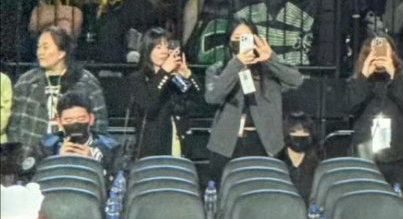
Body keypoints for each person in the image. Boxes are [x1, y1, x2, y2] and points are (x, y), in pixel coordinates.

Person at [204, 21, 304, 185]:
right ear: (229, 41)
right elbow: (213, 96)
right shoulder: (218, 69)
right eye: (237, 38)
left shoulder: (268, 70)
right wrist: (236, 64)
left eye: (246, 38)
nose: (242, 42)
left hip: (265, 142)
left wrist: (271, 59)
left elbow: (296, 80)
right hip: (228, 145)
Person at [7, 27, 109, 151]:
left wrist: (91, 151)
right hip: (32, 153)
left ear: (62, 53)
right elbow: (14, 125)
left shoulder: (86, 82)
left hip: (75, 152)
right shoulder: (26, 81)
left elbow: (100, 125)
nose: (40, 52)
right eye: (38, 47)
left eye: (45, 47)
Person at [346, 35, 403, 188]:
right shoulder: (356, 82)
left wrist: (393, 75)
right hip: (365, 154)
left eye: (384, 52)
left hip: (395, 155)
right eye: (374, 52)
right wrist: (364, 76)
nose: (379, 57)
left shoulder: (401, 80)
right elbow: (350, 106)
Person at [128, 26, 199, 159]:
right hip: (152, 148)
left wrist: (188, 74)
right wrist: (164, 72)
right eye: (158, 47)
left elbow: (200, 101)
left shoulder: (175, 78)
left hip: (178, 144)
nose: (164, 51)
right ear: (148, 50)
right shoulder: (138, 78)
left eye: (167, 47)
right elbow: (149, 105)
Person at [36, 93, 122, 177]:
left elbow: (117, 180)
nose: (76, 126)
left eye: (81, 119)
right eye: (68, 120)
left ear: (91, 119)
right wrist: (58, 160)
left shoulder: (110, 147)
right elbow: (34, 179)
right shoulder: (46, 146)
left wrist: (93, 162)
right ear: (59, 122)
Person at [280, 111, 320, 203]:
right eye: (294, 132)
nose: (299, 136)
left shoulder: (318, 166)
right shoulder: (276, 165)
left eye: (305, 132)